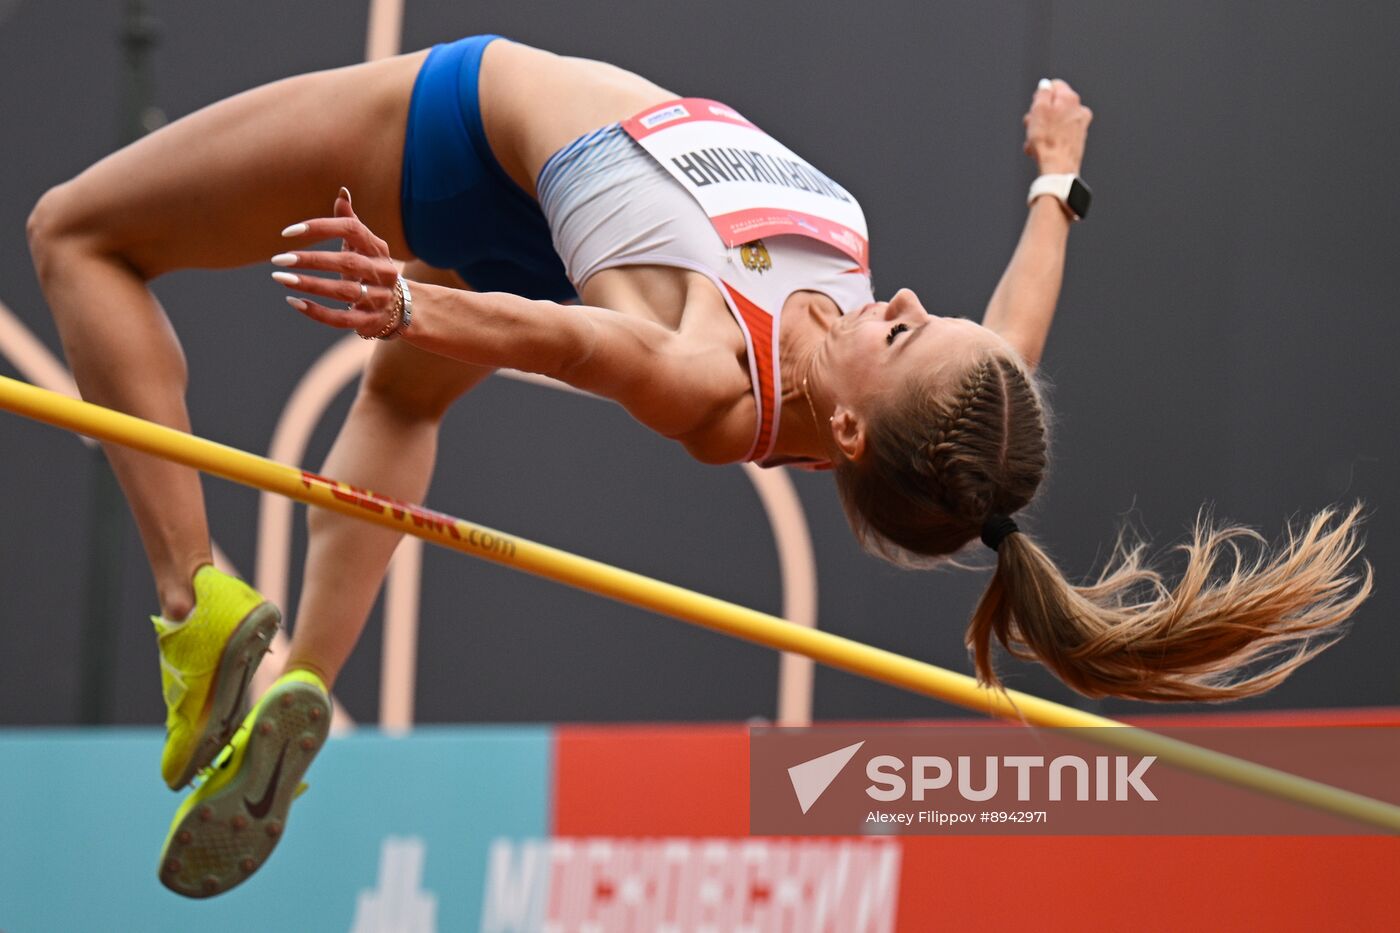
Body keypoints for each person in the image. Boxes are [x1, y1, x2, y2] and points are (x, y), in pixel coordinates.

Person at [26, 35, 1371, 897]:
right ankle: (306, 678)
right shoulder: (927, 408)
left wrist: (415, 302)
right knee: (400, 399)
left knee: (74, 234)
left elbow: (571, 342)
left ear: (844, 430)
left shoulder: (716, 381)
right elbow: (1005, 336)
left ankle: (192, 604)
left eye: (900, 327)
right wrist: (1054, 183)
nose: (898, 294)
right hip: (545, 220)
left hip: (463, 136)